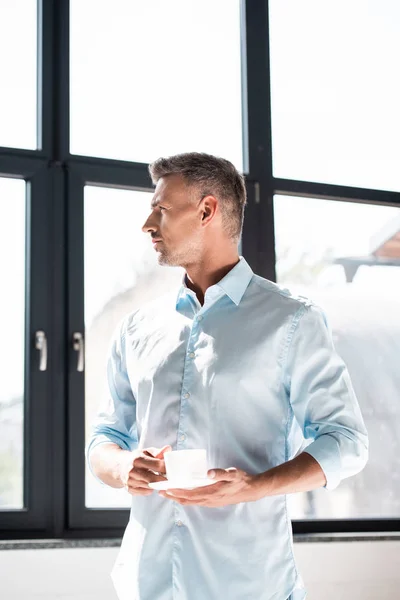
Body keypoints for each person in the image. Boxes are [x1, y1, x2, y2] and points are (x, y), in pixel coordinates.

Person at [86, 152, 368, 600]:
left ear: (206, 210)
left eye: (161, 209)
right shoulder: (137, 329)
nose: (147, 224)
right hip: (146, 583)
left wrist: (255, 486)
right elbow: (103, 437)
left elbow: (345, 442)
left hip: (247, 584)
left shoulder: (291, 321)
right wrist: (124, 466)